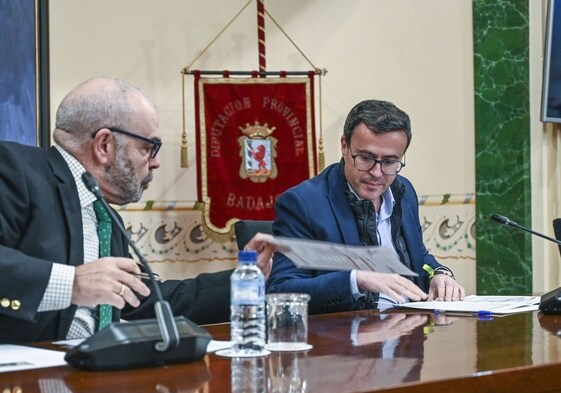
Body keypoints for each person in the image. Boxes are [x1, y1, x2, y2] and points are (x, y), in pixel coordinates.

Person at [0, 77, 275, 344]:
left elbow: (148, 297)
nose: (155, 163)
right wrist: (72, 283)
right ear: (104, 145)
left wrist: (243, 278)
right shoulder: (15, 169)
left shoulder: (106, 217)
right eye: (148, 148)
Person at [266, 99, 465, 314]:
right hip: (346, 340)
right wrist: (355, 279)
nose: (377, 173)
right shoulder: (303, 203)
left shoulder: (404, 191)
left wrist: (439, 274)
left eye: (390, 162)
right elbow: (280, 291)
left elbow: (418, 256)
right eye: (366, 158)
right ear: (344, 146)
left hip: (410, 334)